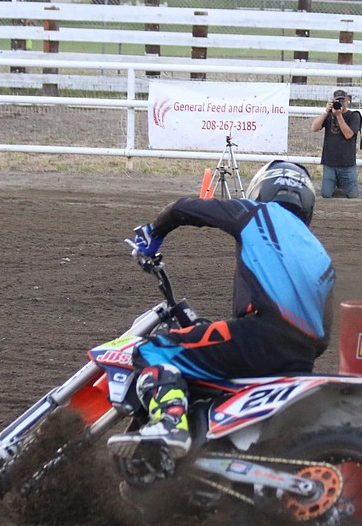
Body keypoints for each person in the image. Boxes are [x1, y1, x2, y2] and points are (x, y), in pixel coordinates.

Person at [107, 160, 334, 462]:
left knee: (152, 352)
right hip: (301, 359)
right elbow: (323, 335)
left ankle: (169, 424)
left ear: (261, 190)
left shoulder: (256, 213)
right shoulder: (321, 254)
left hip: (258, 336)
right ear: (308, 204)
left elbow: (183, 209)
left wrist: (154, 233)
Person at [310, 89, 361, 198]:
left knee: (353, 195)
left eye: (343, 100)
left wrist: (339, 116)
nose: (340, 103)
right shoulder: (328, 115)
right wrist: (325, 111)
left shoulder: (354, 115)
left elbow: (348, 134)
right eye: (338, 101)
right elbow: (314, 128)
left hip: (347, 163)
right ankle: (336, 186)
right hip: (330, 163)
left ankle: (341, 185)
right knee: (326, 194)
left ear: (347, 101)